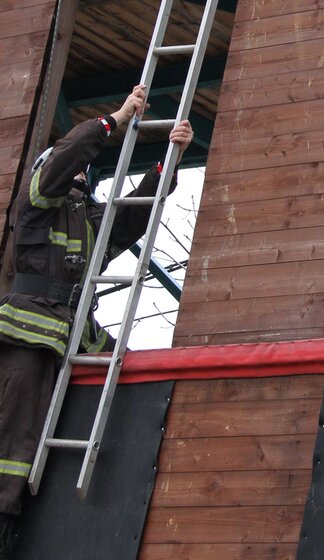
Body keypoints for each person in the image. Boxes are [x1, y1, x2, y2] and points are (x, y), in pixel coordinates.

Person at [0, 84, 193, 559]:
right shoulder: (37, 206)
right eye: (75, 166)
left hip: (72, 335)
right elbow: (66, 157)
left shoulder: (87, 221)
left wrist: (167, 164)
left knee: (128, 381)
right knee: (13, 437)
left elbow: (130, 219)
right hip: (28, 334)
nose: (82, 171)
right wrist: (116, 119)